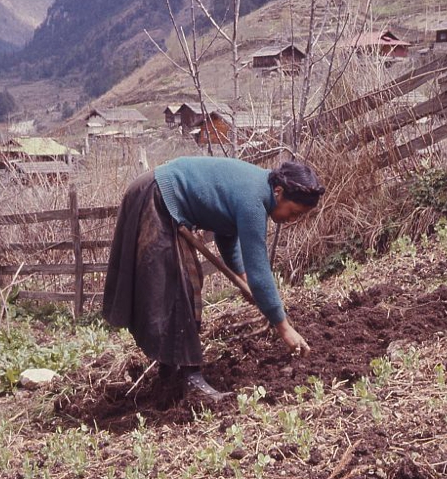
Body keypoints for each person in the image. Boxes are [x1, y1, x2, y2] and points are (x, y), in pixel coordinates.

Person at [102, 155, 325, 403]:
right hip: (156, 198)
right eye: (293, 212)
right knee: (180, 288)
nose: (291, 219)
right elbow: (260, 271)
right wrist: (284, 329)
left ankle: (170, 372)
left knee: (183, 285)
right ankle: (190, 377)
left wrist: (242, 278)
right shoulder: (254, 201)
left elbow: (226, 238)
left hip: (152, 190)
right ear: (279, 191)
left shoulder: (257, 189)